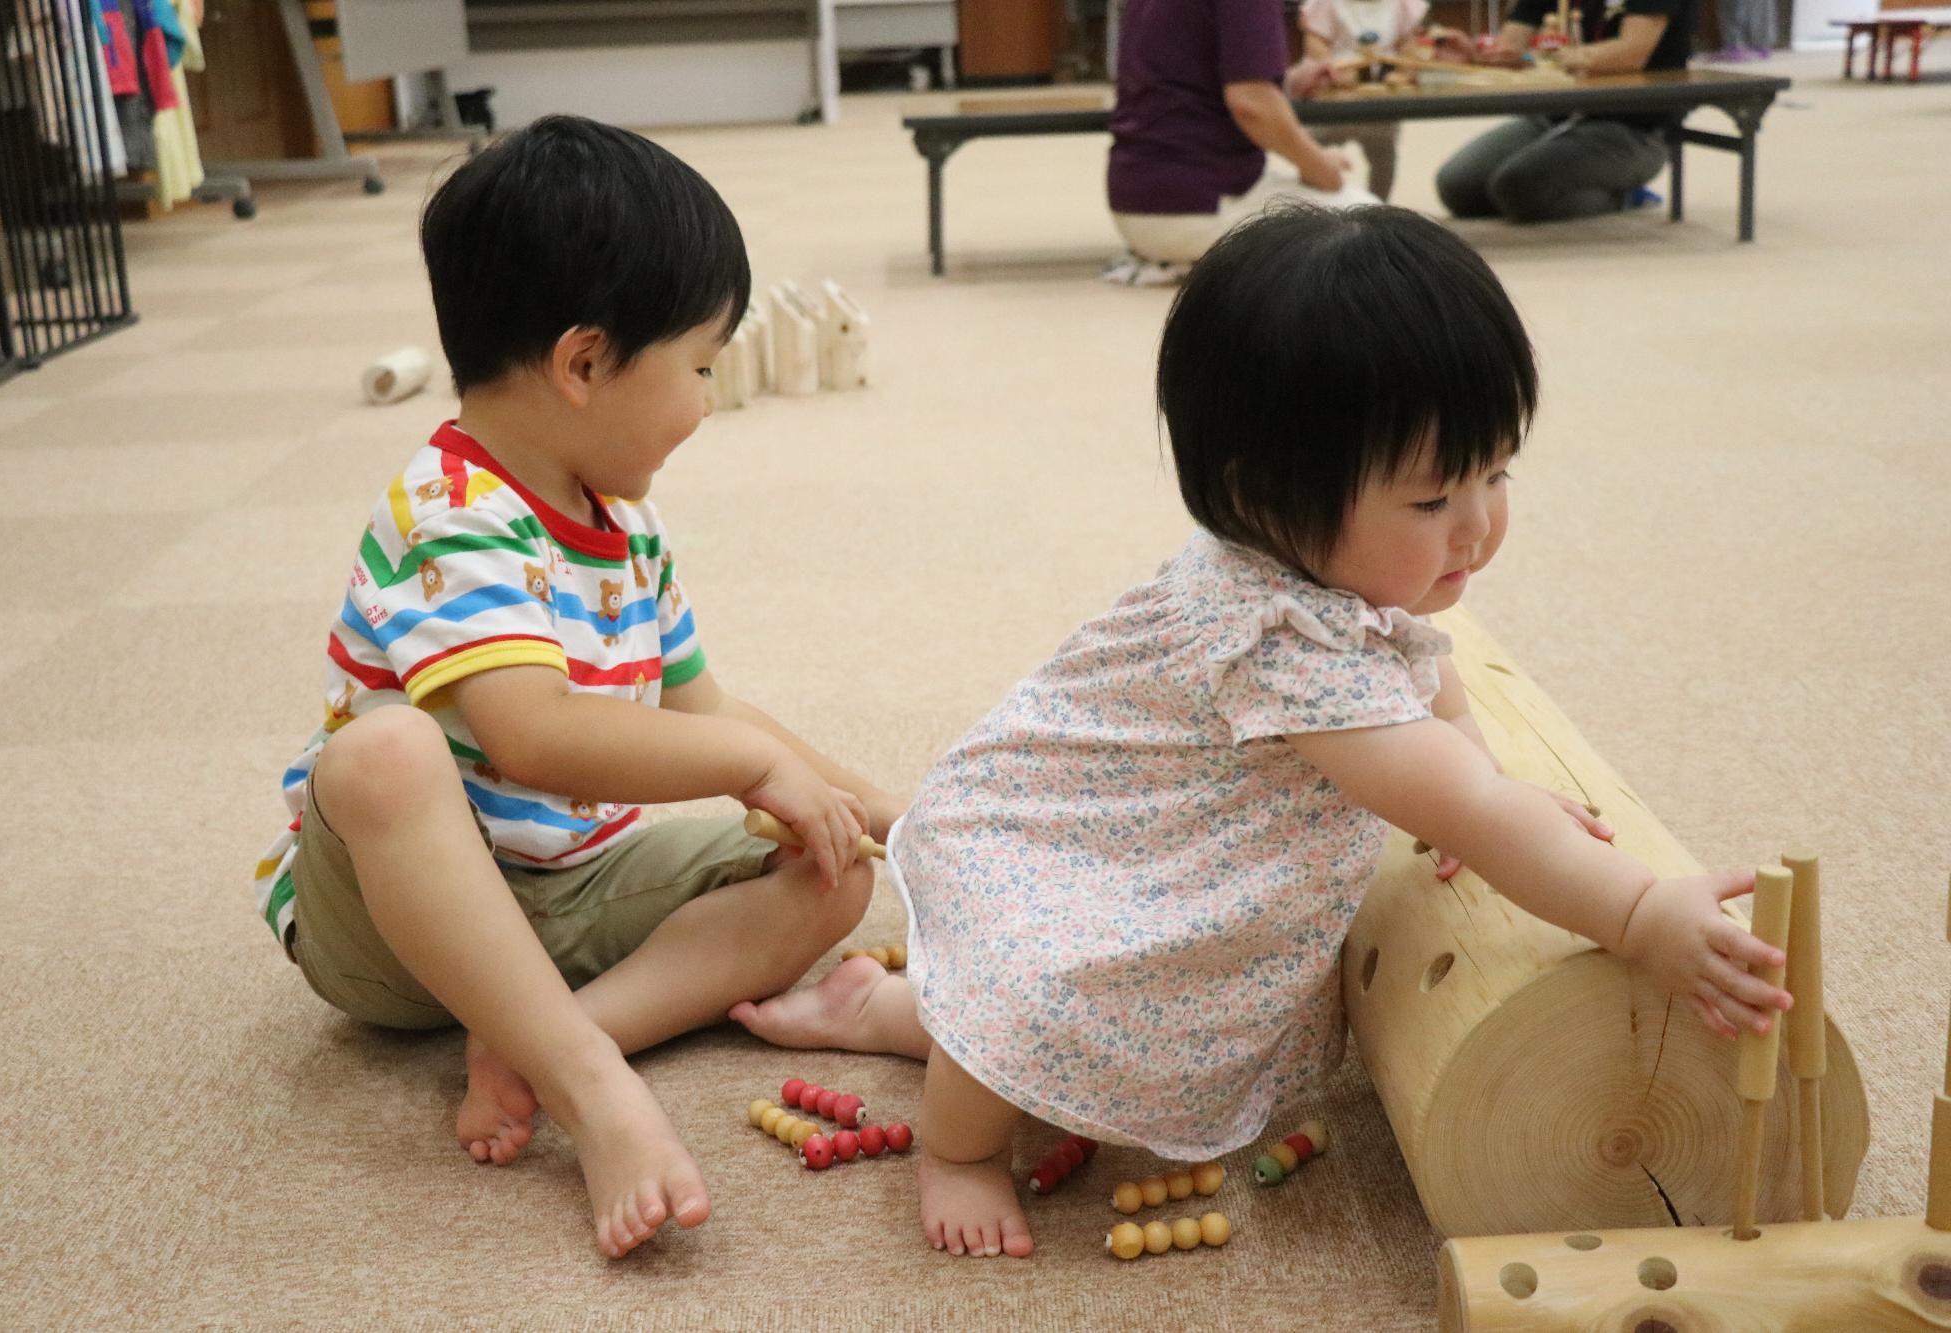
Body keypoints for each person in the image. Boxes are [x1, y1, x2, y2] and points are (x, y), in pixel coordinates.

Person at [732, 205, 1790, 1258]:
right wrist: (1640, 909)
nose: (1476, 524)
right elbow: (1463, 803)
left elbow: (1434, 685)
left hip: (1180, 834)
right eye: (1431, 497)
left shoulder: (1325, 570)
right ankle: (955, 1147)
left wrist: (1479, 773)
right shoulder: (1282, 643)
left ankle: (883, 1011)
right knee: (1050, 989)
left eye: (1495, 472)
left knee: (1129, 1012)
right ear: (1267, 498)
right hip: (1076, 837)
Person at [249, 116, 905, 1260]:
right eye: (698, 366)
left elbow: (700, 708)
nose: (706, 401)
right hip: (397, 934)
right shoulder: (449, 510)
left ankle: (538, 1035)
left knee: (829, 869)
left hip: (568, 886)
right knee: (385, 753)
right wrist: (754, 771)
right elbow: (530, 737)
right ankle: (590, 1082)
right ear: (585, 362)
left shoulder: (625, 520)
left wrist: (883, 810)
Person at [1104, 0, 1377, 285]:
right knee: (1369, 228)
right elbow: (1250, 104)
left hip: (1134, 197)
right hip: (1197, 203)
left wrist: (1286, 83)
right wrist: (1320, 167)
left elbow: (1185, 76)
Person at [1433, 0, 1694, 224]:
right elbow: (1513, 46)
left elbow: (1632, 52)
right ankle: (1552, 180)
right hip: (1555, 115)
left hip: (1634, 125)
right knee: (1457, 187)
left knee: (1519, 188)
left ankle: (1626, 194)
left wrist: (1540, 58)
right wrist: (1478, 54)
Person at [1298, 0, 1434, 198]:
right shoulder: (1327, 4)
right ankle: (1309, 200)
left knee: (1384, 158)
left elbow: (1408, 43)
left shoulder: (1401, 5)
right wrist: (1328, 67)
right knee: (1311, 151)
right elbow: (1316, 43)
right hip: (1334, 99)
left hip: (1380, 100)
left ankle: (1379, 202)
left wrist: (1406, 69)